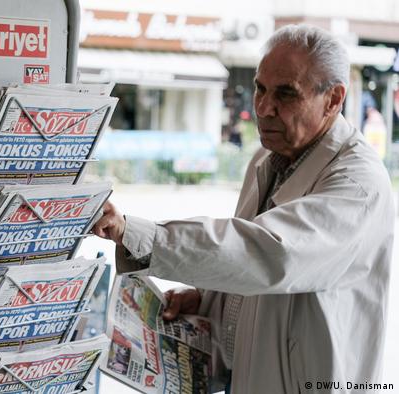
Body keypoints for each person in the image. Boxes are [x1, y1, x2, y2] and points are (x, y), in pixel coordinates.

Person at [92, 24, 394, 394]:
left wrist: (139, 234)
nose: (265, 108)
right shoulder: (265, 160)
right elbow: (246, 265)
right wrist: (210, 300)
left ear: (333, 100)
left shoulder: (358, 183)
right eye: (260, 88)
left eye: (286, 94)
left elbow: (271, 254)